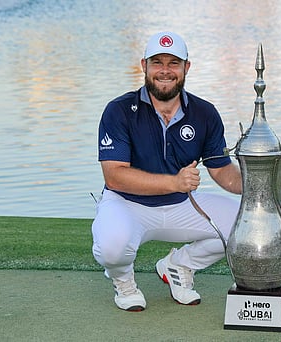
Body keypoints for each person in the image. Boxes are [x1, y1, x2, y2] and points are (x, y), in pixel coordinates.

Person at [91, 31, 242, 312]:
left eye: (173, 63)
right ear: (143, 66)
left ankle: (178, 266)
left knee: (243, 228)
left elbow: (221, 171)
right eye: (157, 62)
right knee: (112, 247)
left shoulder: (205, 113)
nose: (164, 71)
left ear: (186, 67)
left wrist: (258, 181)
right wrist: (175, 181)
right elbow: (114, 175)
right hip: (127, 204)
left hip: (181, 206)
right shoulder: (119, 110)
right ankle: (123, 281)